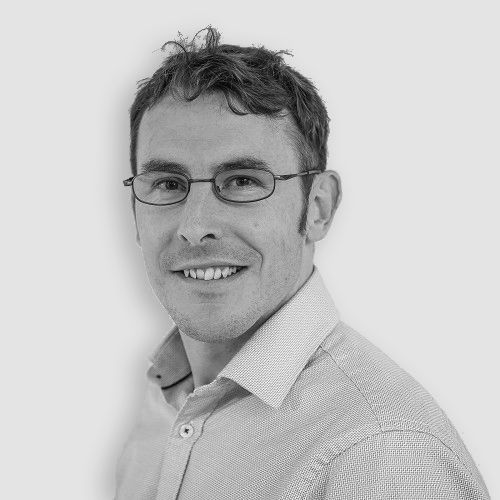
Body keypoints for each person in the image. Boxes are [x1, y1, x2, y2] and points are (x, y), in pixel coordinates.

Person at [116, 28, 490, 500]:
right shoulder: (163, 402)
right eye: (168, 184)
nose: (195, 226)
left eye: (243, 181)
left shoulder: (380, 455)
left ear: (318, 207)